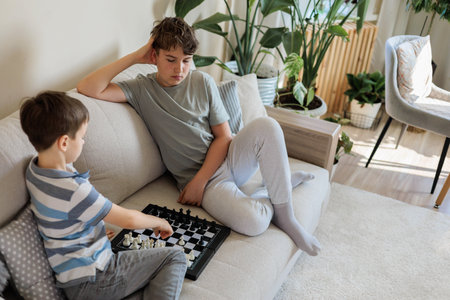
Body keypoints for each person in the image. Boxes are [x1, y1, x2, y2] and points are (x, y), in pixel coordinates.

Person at [77, 17, 321, 256]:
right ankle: (274, 188)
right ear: (154, 56)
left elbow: (224, 138)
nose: (179, 69)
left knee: (268, 125)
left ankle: (286, 216)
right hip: (212, 184)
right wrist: (135, 56)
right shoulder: (141, 89)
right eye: (171, 59)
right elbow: (88, 87)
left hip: (229, 159)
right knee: (254, 223)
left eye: (186, 60)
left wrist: (199, 181)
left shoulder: (202, 82)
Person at [20, 91, 187, 300]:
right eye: (82, 137)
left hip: (71, 280)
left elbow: (61, 217)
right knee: (174, 256)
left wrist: (92, 229)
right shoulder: (74, 189)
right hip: (97, 279)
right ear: (64, 143)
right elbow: (129, 219)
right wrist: (159, 221)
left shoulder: (34, 170)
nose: (84, 142)